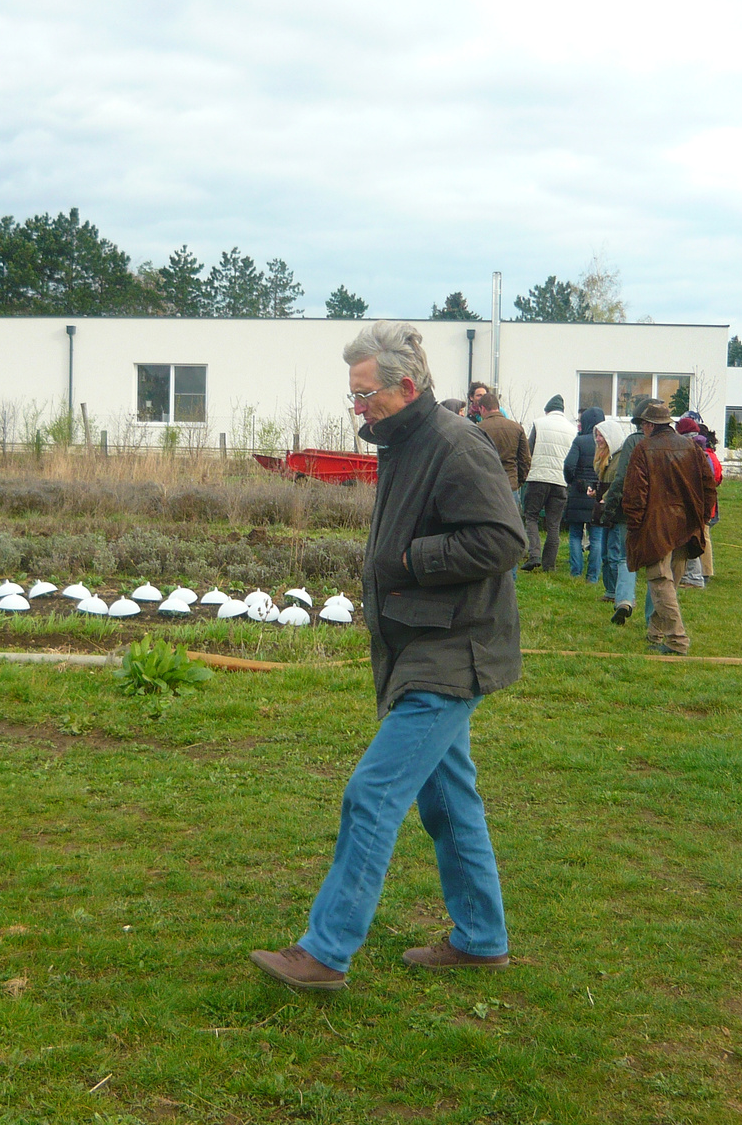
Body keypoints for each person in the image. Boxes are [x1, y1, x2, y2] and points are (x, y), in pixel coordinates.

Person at [249, 321, 525, 991]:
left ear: (405, 385)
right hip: (418, 646)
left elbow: (503, 541)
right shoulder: (404, 442)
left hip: (451, 652)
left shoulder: (456, 445)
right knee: (448, 799)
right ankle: (482, 939)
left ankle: (325, 952)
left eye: (365, 393)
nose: (358, 407)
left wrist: (407, 560)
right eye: (353, 395)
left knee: (372, 795)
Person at [622, 398, 717, 655]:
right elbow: (710, 487)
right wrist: (702, 519)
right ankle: (655, 632)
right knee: (670, 583)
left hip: (656, 527)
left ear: (650, 424)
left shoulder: (643, 450)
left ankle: (677, 640)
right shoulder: (692, 448)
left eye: (643, 424)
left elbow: (634, 496)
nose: (642, 429)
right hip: (686, 526)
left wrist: (635, 526)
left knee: (660, 581)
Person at [598, 397, 653, 625]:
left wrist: (609, 509)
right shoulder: (672, 442)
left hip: (629, 510)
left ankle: (624, 601)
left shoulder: (632, 443)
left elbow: (620, 479)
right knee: (655, 564)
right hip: (657, 511)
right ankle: (653, 619)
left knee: (624, 557)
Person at [520, 394, 574, 572]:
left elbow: (528, 450)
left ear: (547, 410)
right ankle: (549, 565)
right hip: (560, 481)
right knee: (553, 524)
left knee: (532, 516)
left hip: (538, 478)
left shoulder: (539, 423)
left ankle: (534, 554)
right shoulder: (572, 429)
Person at [674, 417, 721, 589]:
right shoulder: (701, 451)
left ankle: (694, 577)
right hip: (698, 503)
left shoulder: (694, 452)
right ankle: (691, 575)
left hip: (693, 503)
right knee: (690, 538)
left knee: (692, 539)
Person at [592, 416, 633, 603]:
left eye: (602, 436)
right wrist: (594, 490)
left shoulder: (621, 458)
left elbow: (620, 483)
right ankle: (610, 590)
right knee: (606, 554)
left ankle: (619, 593)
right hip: (604, 510)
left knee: (615, 553)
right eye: (597, 435)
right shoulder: (603, 457)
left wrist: (606, 498)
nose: (598, 439)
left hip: (617, 511)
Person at [563, 407, 605, 581]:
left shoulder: (579, 442)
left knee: (575, 534)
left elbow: (569, 465)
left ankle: (576, 572)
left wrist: (572, 482)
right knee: (596, 537)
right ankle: (593, 576)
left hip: (578, 493)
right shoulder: (605, 443)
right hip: (598, 493)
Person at [477, 391, 530, 514]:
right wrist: (518, 481)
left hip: (487, 486)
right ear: (497, 407)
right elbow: (525, 460)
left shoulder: (478, 429)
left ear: (483, 408)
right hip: (510, 484)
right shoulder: (517, 428)